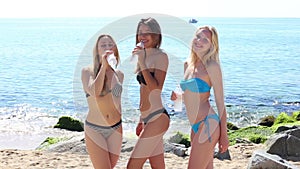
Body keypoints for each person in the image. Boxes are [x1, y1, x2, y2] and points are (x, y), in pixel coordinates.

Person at [171, 26, 229, 169]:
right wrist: (179, 97)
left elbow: (220, 102)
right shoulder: (187, 65)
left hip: (208, 124)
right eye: (198, 37)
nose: (199, 41)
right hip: (195, 127)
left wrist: (224, 135)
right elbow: (193, 95)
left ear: (212, 45)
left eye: (205, 40)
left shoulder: (212, 66)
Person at [127, 17, 170, 169]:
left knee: (132, 166)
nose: (142, 36)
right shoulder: (144, 55)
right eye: (140, 33)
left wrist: (142, 62)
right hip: (147, 118)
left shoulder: (161, 56)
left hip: (158, 118)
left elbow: (155, 89)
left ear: (156, 35)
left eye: (147, 32)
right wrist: (141, 119)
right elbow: (144, 91)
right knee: (157, 166)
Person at [81, 34, 124, 169]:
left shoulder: (119, 74)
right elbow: (95, 92)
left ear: (115, 49)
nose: (107, 48)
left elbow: (116, 99)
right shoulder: (87, 71)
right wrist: (103, 68)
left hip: (116, 128)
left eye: (110, 45)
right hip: (95, 129)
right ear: (97, 50)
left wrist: (111, 72)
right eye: (103, 45)